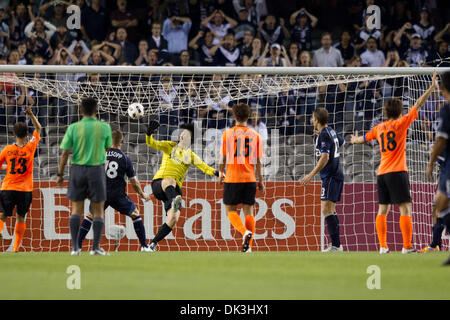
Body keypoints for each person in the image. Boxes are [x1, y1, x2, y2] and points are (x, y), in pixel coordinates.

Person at [351, 71, 438, 254]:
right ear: (399, 112)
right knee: (405, 207)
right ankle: (407, 247)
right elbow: (418, 104)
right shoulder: (401, 124)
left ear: (385, 112)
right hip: (398, 171)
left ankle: (383, 246)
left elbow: (364, 139)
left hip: (381, 172)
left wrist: (353, 140)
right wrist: (430, 88)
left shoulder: (378, 128)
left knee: (383, 209)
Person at [145, 122, 220, 251]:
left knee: (173, 219)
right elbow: (152, 143)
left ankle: (152, 244)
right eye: (183, 133)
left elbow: (205, 167)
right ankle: (174, 199)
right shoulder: (170, 146)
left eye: (188, 134)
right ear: (180, 136)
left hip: (174, 190)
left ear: (191, 139)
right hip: (159, 183)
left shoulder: (190, 155)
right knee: (170, 180)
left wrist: (217, 173)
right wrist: (148, 134)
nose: (184, 134)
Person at [77, 130, 152, 252]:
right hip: (117, 195)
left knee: (90, 216)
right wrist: (142, 194)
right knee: (135, 214)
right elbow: (134, 183)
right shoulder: (125, 158)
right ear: (122, 142)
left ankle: (77, 247)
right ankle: (144, 246)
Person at [57, 97, 112, 256]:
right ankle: (95, 248)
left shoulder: (74, 127)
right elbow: (108, 147)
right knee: (98, 210)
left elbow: (65, 152)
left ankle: (75, 248)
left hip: (77, 170)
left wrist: (60, 174)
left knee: (76, 209)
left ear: (81, 110)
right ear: (96, 110)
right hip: (96, 169)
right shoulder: (104, 127)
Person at [218, 103, 264, 253]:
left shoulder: (228, 134)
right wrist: (261, 181)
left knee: (229, 210)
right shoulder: (255, 135)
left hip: (232, 177)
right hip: (250, 178)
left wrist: (220, 174)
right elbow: (258, 161)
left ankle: (244, 232)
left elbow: (222, 159)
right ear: (248, 116)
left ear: (234, 116)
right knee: (249, 212)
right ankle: (248, 246)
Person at [300, 108, 344, 252]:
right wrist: (322, 136)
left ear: (316, 120)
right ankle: (337, 245)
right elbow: (340, 141)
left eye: (313, 118)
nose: (312, 120)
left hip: (330, 175)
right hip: (335, 174)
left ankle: (336, 246)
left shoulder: (325, 134)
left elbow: (324, 157)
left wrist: (310, 175)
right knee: (330, 209)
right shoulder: (330, 131)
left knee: (326, 209)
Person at [0, 107, 41, 252]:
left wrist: (6, 167)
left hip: (8, 187)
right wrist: (30, 114)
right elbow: (39, 128)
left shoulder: (7, 149)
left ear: (13, 134)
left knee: (2, 215)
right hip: (25, 190)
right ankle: (16, 247)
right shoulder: (30, 147)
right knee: (20, 217)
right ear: (27, 134)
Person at [426, 70, 450, 265]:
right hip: (446, 164)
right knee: (440, 204)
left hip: (448, 164)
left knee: (440, 204)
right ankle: (435, 243)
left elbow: (441, 139)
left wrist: (431, 162)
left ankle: (435, 243)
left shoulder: (446, 109)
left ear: (443, 88)